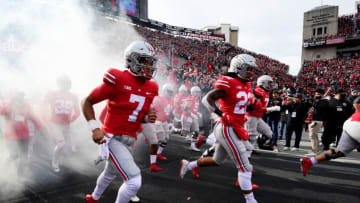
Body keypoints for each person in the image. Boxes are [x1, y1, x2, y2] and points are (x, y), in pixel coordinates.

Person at [82, 41, 159, 203]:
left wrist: (147, 117)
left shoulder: (151, 87)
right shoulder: (118, 78)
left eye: (151, 62)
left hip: (130, 139)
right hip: (113, 138)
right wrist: (95, 127)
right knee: (134, 180)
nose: (149, 66)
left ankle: (94, 198)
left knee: (110, 172)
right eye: (145, 61)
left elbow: (139, 115)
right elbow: (87, 101)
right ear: (132, 60)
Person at [179, 54, 259, 203]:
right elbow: (206, 99)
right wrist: (221, 114)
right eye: (248, 69)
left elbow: (243, 103)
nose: (250, 72)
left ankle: (188, 165)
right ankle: (251, 200)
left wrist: (254, 106)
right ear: (238, 67)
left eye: (251, 69)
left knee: (218, 160)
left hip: (236, 126)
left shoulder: (246, 85)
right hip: (227, 127)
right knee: (245, 165)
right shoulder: (228, 82)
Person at [301, 96, 360, 176]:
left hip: (350, 123)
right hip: (357, 125)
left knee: (338, 151)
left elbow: (356, 102)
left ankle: (309, 162)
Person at [43, 75, 80, 173]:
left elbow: (77, 111)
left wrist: (73, 118)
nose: (66, 85)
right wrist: (45, 118)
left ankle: (62, 158)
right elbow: (43, 105)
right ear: (59, 83)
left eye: (67, 83)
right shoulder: (52, 93)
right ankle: (54, 162)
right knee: (61, 144)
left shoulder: (73, 96)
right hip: (54, 123)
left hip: (66, 124)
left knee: (66, 144)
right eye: (63, 82)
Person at [0, 91, 41, 177]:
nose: (20, 98)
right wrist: (10, 102)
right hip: (11, 136)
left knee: (24, 156)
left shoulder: (26, 105)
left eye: (22, 96)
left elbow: (32, 116)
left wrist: (38, 126)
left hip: (24, 135)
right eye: (18, 96)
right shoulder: (9, 104)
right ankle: (5, 168)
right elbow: (2, 112)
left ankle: (20, 176)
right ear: (14, 97)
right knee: (14, 155)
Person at [246, 75, 279, 155]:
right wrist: (271, 109)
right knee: (251, 135)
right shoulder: (258, 91)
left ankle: (258, 143)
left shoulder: (266, 92)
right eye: (269, 83)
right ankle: (248, 151)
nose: (271, 85)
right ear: (263, 83)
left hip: (258, 116)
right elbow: (255, 107)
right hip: (251, 116)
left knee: (269, 133)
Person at [153, 83, 175, 161]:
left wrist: (173, 116)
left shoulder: (171, 100)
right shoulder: (158, 98)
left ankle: (158, 153)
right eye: (169, 91)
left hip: (164, 121)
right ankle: (152, 154)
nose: (170, 93)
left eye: (171, 92)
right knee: (160, 138)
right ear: (164, 91)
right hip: (157, 120)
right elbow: (152, 110)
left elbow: (170, 110)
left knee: (166, 138)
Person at [307, 89, 329, 154]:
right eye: (316, 94)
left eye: (318, 94)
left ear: (322, 94)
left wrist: (313, 101)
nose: (316, 95)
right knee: (314, 135)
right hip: (312, 119)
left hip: (318, 120)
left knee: (312, 135)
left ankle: (314, 150)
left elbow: (317, 106)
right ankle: (317, 149)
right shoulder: (317, 100)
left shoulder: (325, 101)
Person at [181, 86, 202, 151]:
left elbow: (194, 109)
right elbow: (186, 109)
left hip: (193, 117)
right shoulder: (190, 98)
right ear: (193, 92)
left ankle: (193, 146)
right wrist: (192, 114)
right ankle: (173, 129)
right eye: (197, 92)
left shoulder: (197, 99)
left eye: (199, 92)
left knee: (196, 131)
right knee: (184, 132)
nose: (199, 93)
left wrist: (198, 113)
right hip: (187, 117)